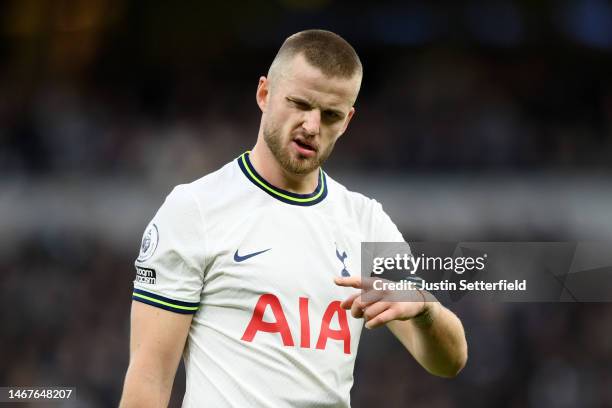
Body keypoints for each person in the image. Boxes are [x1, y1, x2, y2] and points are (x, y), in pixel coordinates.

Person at [119, 29, 467, 408]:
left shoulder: (365, 221)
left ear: (347, 120)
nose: (312, 126)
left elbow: (450, 362)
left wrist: (425, 310)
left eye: (330, 115)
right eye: (300, 103)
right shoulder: (196, 209)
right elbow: (149, 379)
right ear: (264, 94)